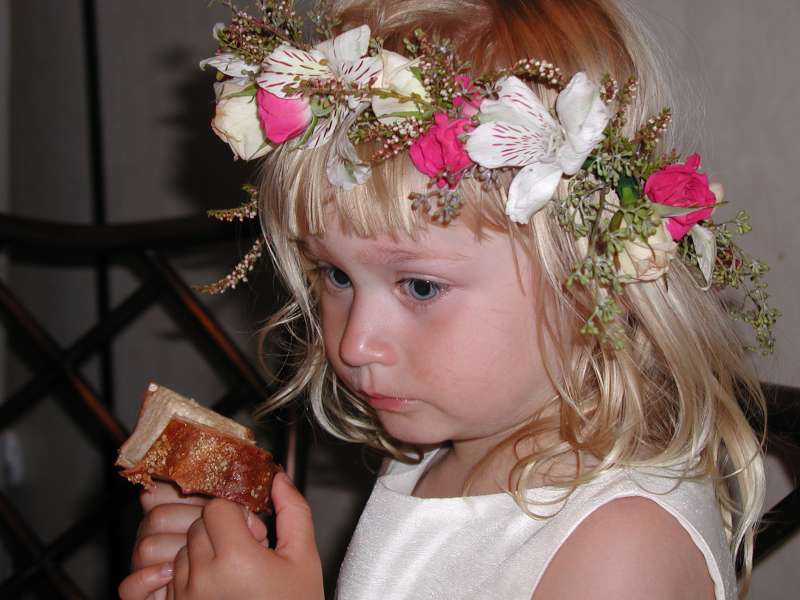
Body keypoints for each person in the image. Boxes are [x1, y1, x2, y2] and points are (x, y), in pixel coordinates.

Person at [118, 0, 777, 598]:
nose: (355, 343)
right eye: (336, 276)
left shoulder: (622, 548)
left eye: (421, 286)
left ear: (589, 277)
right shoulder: (445, 455)